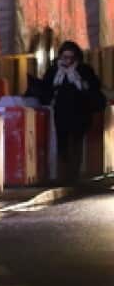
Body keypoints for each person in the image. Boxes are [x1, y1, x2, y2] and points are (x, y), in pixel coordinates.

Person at [36, 41, 104, 182]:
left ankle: (74, 174)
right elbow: (45, 88)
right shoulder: (54, 70)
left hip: (80, 113)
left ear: (76, 57)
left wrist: (80, 83)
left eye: (71, 58)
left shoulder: (84, 70)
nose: (67, 61)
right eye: (65, 57)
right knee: (62, 144)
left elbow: (93, 87)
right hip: (60, 113)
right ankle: (64, 173)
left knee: (76, 143)